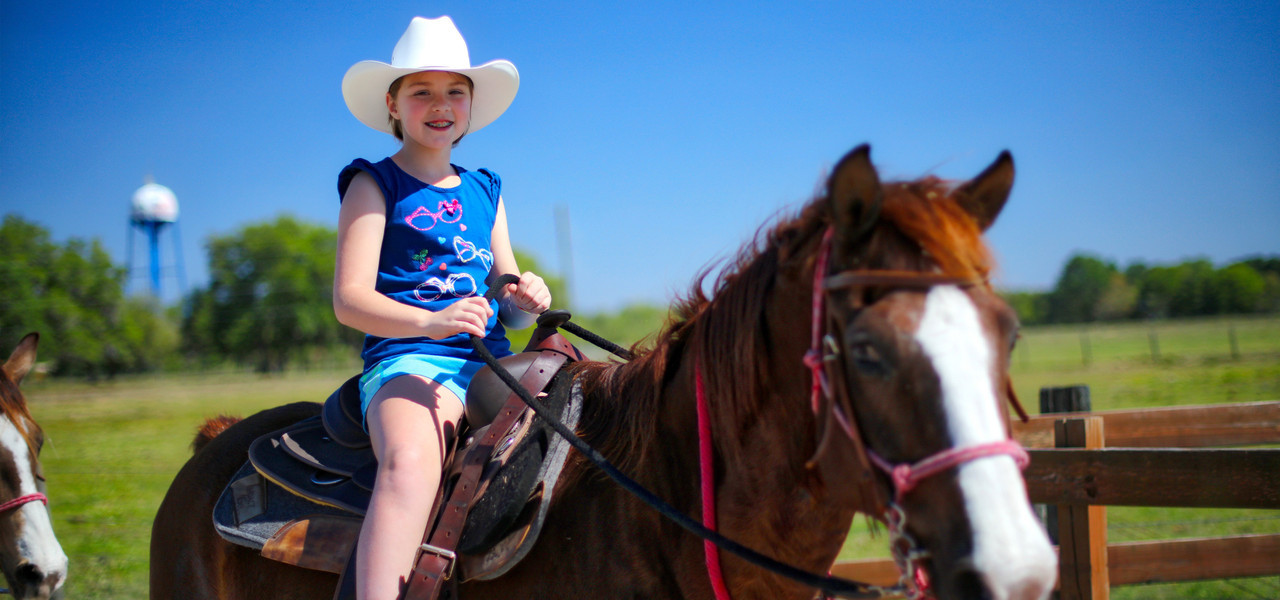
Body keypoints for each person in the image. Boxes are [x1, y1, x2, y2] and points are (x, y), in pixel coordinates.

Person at [333, 16, 551, 600]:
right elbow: (349, 300)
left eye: (455, 91)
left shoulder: (486, 191)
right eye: (421, 91)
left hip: (488, 362)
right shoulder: (374, 184)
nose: (441, 104)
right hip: (410, 360)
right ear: (393, 104)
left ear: (471, 105)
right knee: (409, 464)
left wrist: (526, 298)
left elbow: (506, 302)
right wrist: (431, 322)